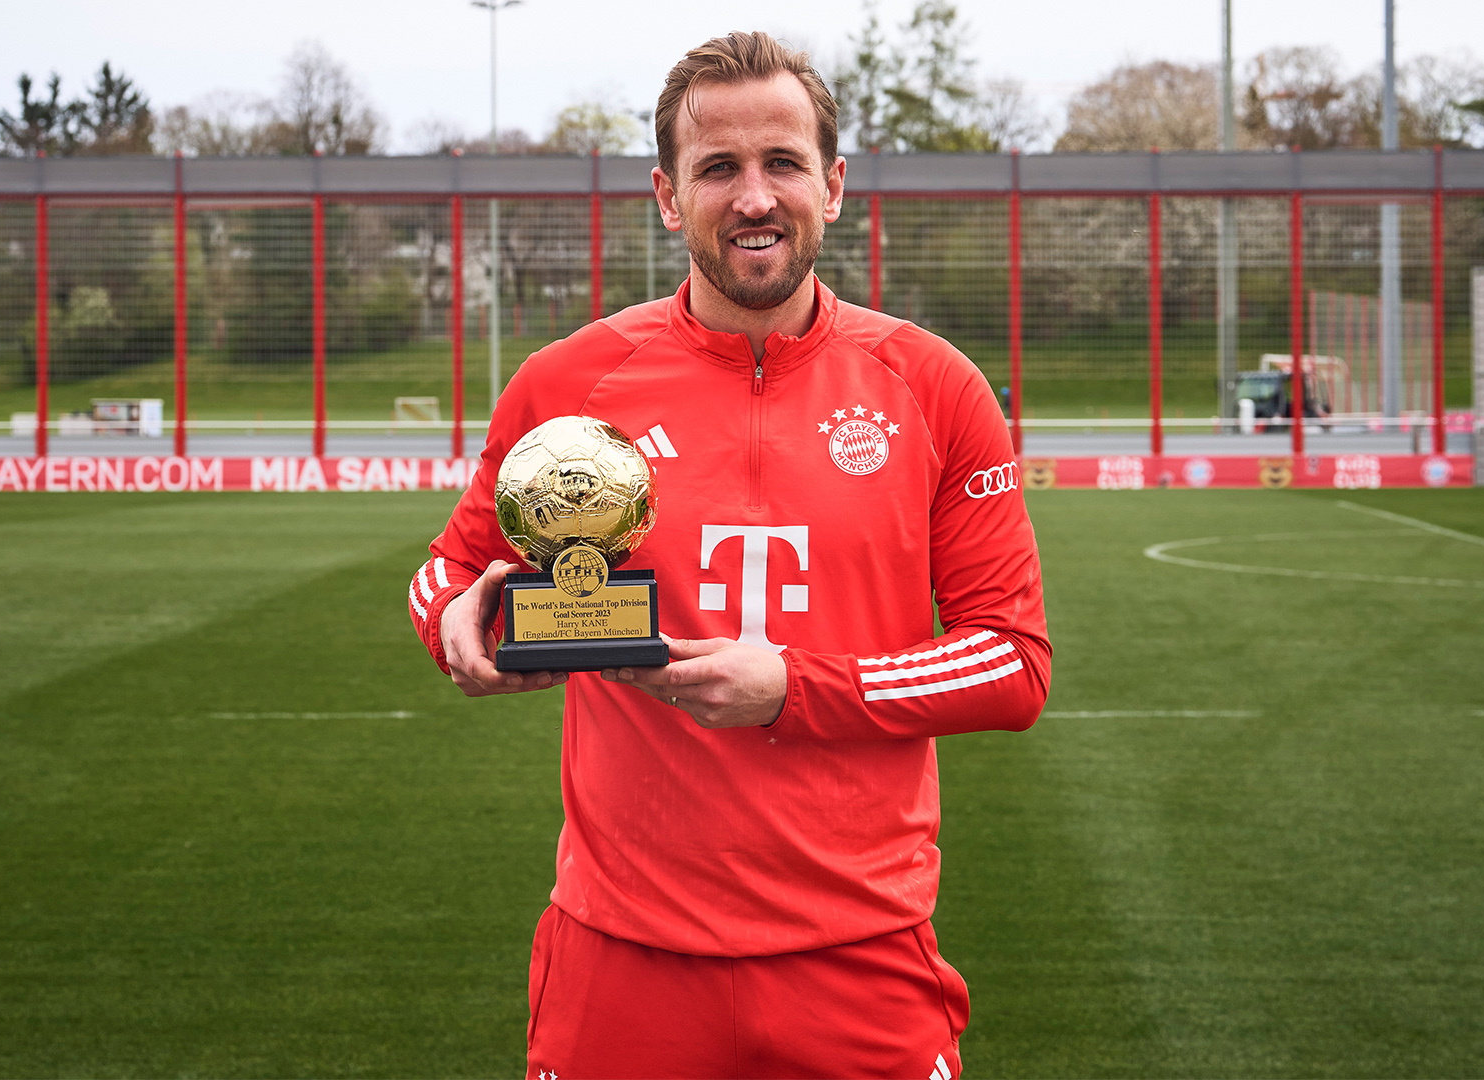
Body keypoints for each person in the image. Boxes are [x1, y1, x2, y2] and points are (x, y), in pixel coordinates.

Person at [408, 31, 1049, 1080]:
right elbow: (449, 571)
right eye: (719, 169)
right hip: (622, 960)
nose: (755, 197)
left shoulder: (934, 388)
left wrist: (796, 686)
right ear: (669, 196)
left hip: (861, 958)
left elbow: (1011, 662)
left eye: (783, 164)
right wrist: (456, 623)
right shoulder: (568, 385)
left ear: (833, 186)